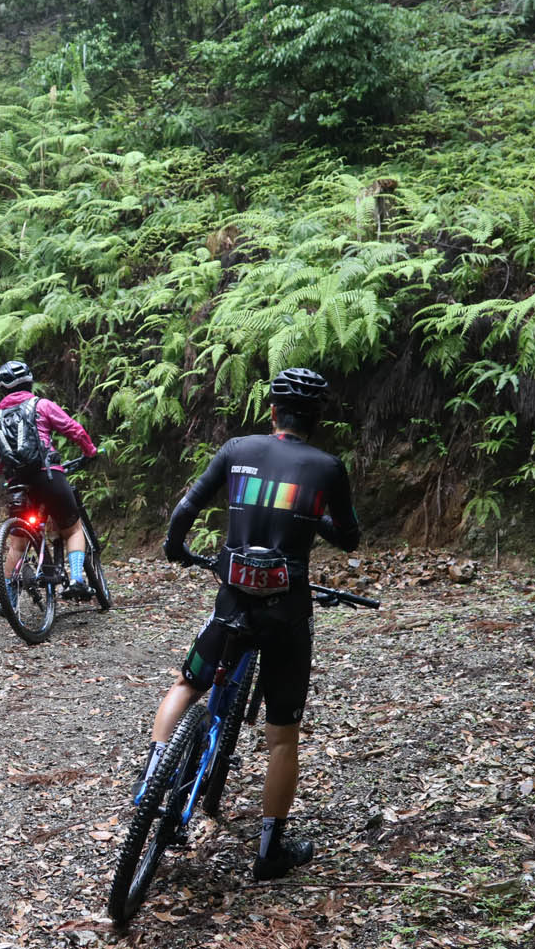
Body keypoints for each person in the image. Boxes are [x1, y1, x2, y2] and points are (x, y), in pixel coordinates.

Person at [147, 367, 362, 881]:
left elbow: (186, 507)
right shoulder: (327, 467)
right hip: (288, 616)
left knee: (186, 684)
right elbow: (349, 537)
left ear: (272, 411)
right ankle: (269, 852)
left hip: (232, 605)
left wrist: (177, 549)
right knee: (283, 737)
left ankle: (152, 786)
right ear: (316, 419)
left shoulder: (237, 449)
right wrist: (314, 517)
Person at [0, 360, 97, 600]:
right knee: (72, 528)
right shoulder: (41, 405)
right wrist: (90, 451)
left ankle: (8, 601)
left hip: (18, 485)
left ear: (2, 389)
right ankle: (77, 579)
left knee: (17, 543)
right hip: (48, 476)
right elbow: (74, 429)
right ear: (29, 381)